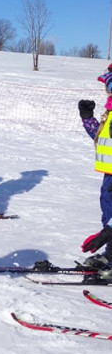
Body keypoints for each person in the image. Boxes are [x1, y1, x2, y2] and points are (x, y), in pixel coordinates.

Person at [79, 64, 112, 276]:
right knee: (108, 213)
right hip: (109, 176)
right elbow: (101, 140)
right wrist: (87, 118)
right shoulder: (110, 112)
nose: (106, 91)